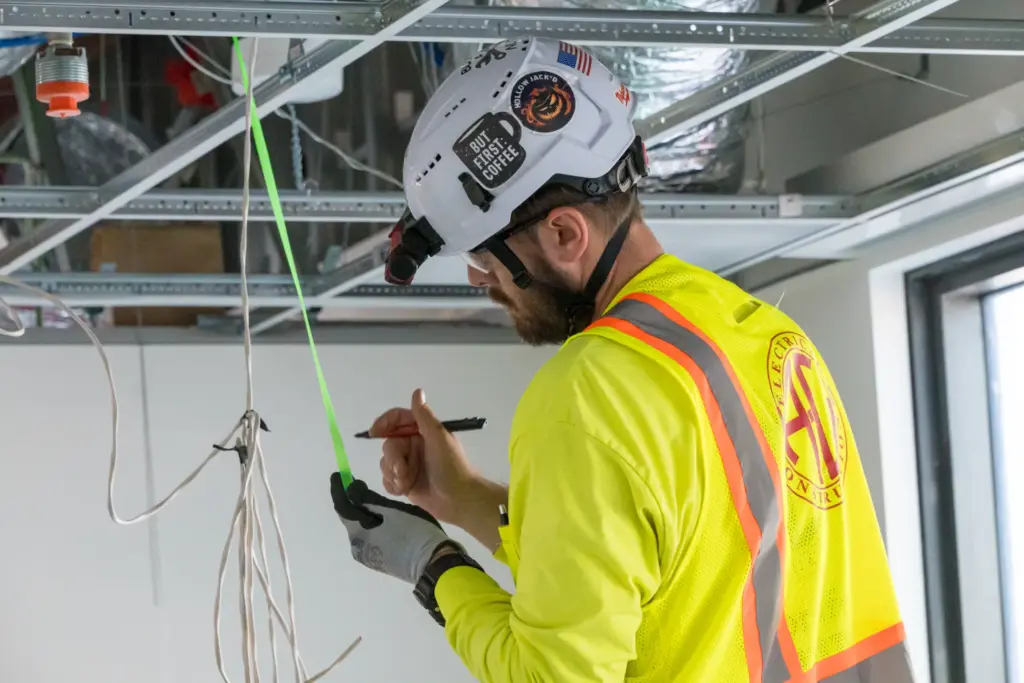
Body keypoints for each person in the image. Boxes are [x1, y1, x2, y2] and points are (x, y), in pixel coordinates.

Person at [329, 36, 914, 682]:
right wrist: (459, 496)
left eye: (488, 260)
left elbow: (550, 673)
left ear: (563, 234)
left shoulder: (587, 394)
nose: (482, 280)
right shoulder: (767, 337)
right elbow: (646, 564)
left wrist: (431, 566)